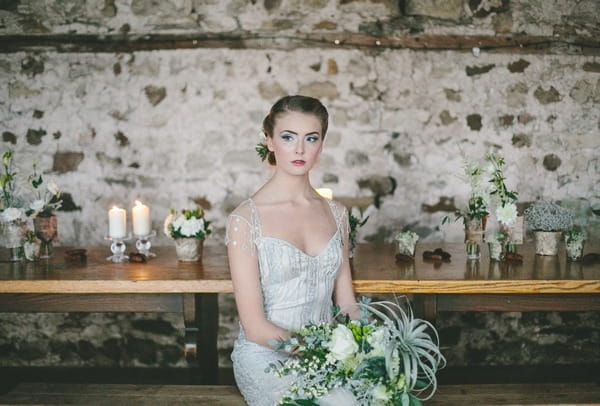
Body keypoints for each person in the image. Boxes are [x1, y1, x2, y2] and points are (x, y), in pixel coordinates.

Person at [225, 95, 357, 405]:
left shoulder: (337, 215)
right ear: (269, 141)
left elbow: (347, 303)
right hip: (265, 358)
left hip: (327, 355)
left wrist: (362, 346)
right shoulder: (245, 219)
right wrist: (319, 349)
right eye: (288, 137)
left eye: (311, 138)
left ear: (321, 145)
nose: (299, 149)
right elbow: (255, 327)